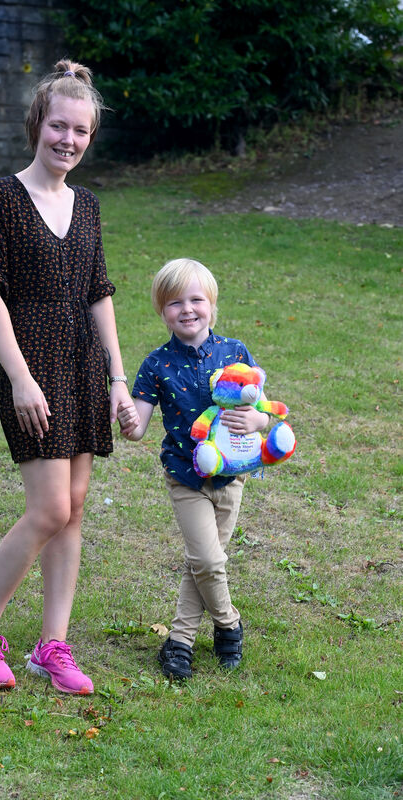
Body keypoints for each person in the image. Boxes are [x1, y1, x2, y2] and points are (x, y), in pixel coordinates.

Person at [0, 60, 138, 695]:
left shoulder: (87, 205)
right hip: (31, 366)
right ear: (37, 124)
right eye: (59, 125)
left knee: (75, 509)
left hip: (84, 365)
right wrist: (22, 378)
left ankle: (51, 647)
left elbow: (99, 294)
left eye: (81, 131)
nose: (69, 140)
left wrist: (117, 377)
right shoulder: (1, 197)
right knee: (48, 507)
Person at [118, 258, 271, 679]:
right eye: (173, 302)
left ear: (212, 305)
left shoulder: (234, 351)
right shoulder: (155, 365)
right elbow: (138, 428)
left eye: (196, 299)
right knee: (207, 559)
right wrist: (128, 419)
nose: (186, 309)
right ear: (161, 311)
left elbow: (262, 409)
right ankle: (228, 624)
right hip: (186, 477)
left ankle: (181, 640)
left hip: (232, 474)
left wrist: (259, 422)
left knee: (204, 563)